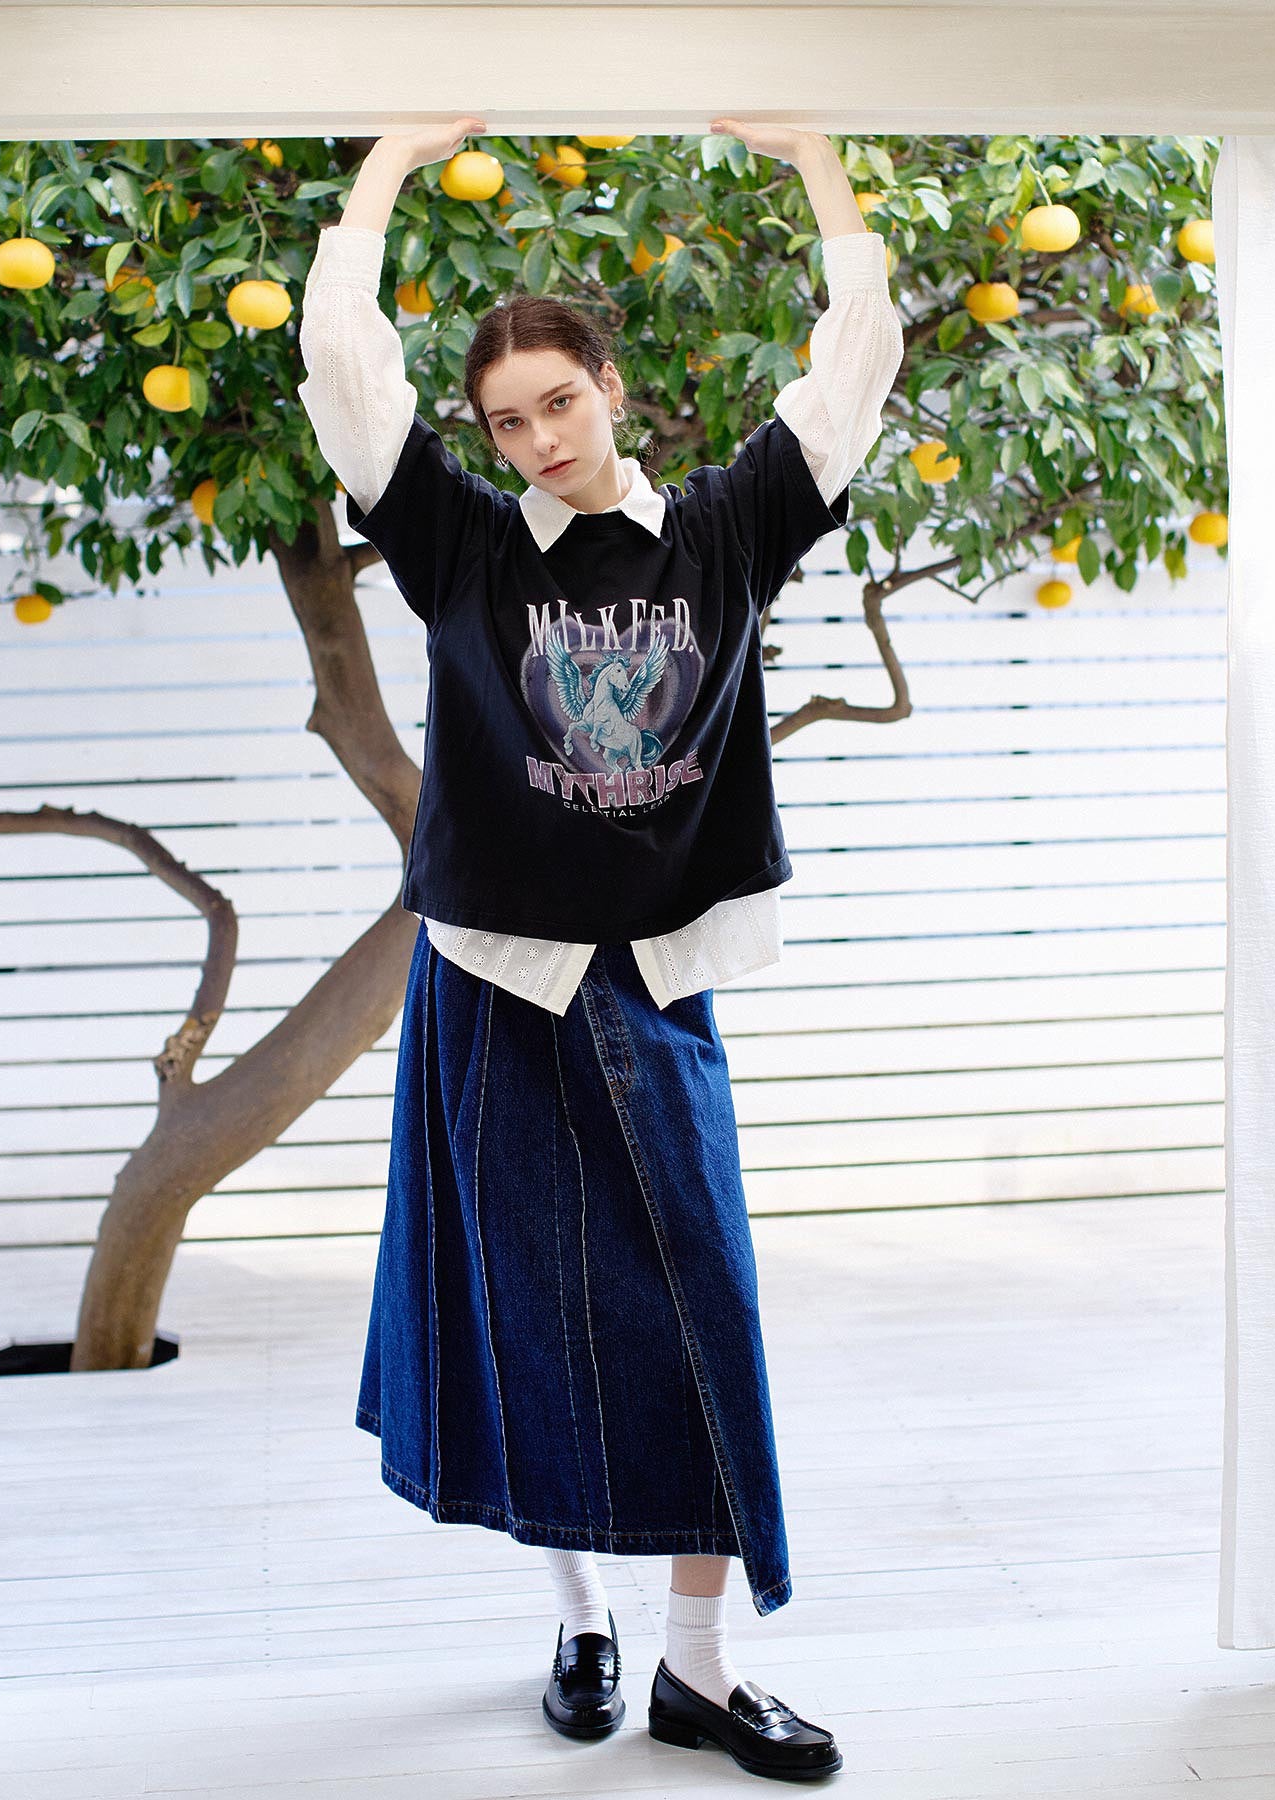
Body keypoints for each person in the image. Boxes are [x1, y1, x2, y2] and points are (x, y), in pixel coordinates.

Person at [297, 114, 904, 1782]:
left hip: (659, 976)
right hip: (495, 984)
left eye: (559, 402)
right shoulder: (465, 549)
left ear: (610, 391)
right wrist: (389, 168)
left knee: (699, 1312)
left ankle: (699, 1668)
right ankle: (580, 1624)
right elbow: (344, 369)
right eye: (506, 420)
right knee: (530, 1321)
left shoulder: (725, 531)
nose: (538, 439)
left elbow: (855, 365)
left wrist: (816, 161)